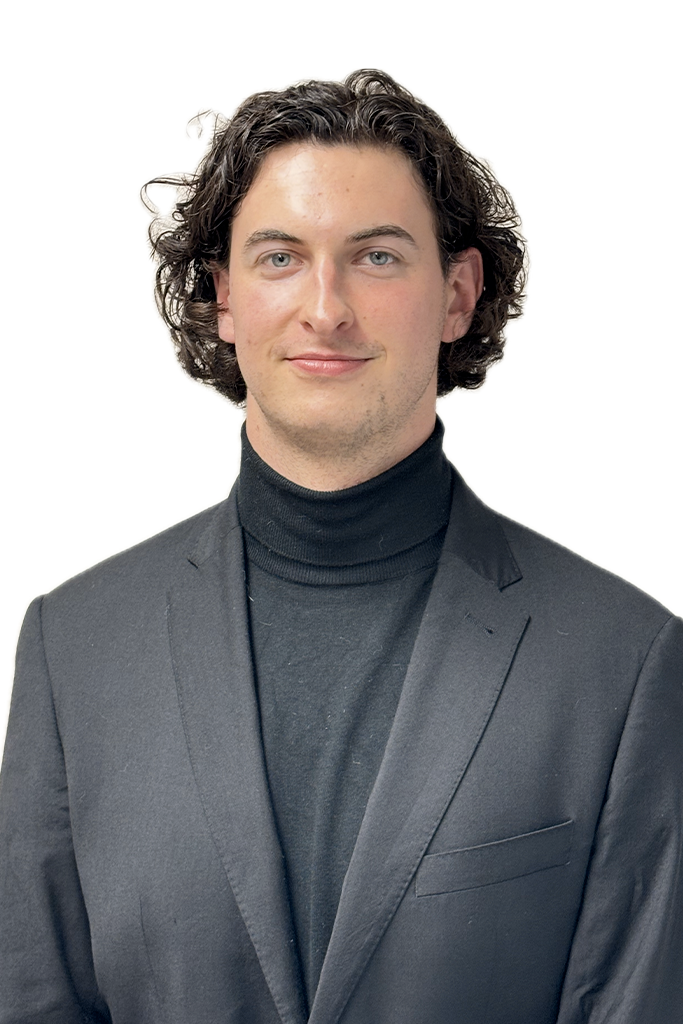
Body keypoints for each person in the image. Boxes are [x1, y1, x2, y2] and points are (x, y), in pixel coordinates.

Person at [0, 69, 681, 1024]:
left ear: (457, 294)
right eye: (280, 256)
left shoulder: (623, 662)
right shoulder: (72, 650)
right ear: (223, 297)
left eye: (376, 256)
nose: (325, 307)